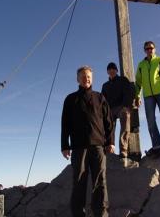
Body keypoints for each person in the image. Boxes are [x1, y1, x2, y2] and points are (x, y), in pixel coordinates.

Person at [61, 65, 115, 217]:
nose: (86, 79)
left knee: (100, 183)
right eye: (83, 76)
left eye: (89, 77)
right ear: (78, 79)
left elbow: (108, 121)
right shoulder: (71, 99)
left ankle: (101, 214)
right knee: (79, 184)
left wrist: (110, 141)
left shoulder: (100, 97)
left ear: (92, 79)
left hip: (98, 146)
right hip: (79, 147)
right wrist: (65, 146)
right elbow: (65, 124)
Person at [135, 41, 160, 157]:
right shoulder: (141, 65)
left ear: (154, 49)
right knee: (151, 121)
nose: (149, 50)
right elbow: (138, 82)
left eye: (151, 48)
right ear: (144, 50)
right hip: (148, 96)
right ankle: (157, 146)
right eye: (147, 49)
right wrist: (137, 96)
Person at [101, 62, 134, 159]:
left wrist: (126, 106)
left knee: (125, 115)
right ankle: (109, 149)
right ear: (107, 71)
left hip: (121, 107)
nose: (111, 71)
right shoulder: (105, 85)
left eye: (113, 69)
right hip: (110, 109)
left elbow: (129, 93)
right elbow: (103, 100)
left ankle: (123, 150)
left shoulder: (123, 80)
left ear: (116, 70)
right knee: (107, 124)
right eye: (109, 69)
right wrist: (104, 111)